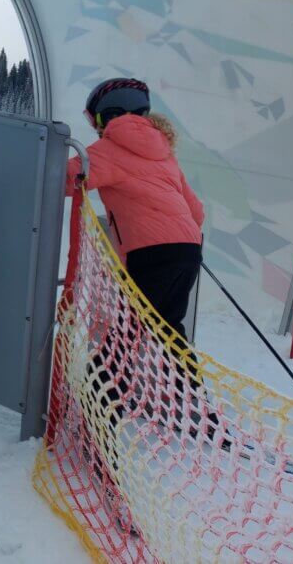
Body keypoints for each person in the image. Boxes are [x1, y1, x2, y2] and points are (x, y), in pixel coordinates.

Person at [67, 78, 211, 439]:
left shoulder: (107, 150)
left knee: (123, 338)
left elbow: (65, 179)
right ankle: (196, 410)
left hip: (150, 254)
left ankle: (99, 421)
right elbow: (196, 210)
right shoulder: (164, 152)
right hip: (188, 250)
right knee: (169, 327)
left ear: (105, 118)